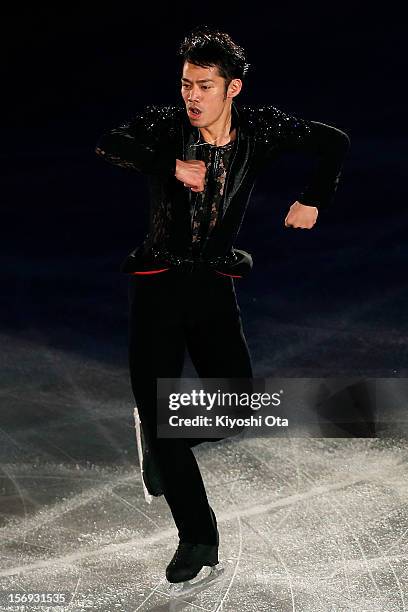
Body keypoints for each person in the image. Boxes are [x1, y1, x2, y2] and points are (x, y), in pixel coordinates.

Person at [95, 24, 350, 583]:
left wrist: (313, 198)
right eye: (187, 83)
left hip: (212, 283)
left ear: (232, 89)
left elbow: (334, 141)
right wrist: (168, 166)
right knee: (167, 427)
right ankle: (198, 538)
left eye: (205, 86)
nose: (192, 96)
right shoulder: (164, 124)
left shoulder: (260, 129)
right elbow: (111, 143)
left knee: (236, 402)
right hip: (158, 283)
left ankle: (159, 442)